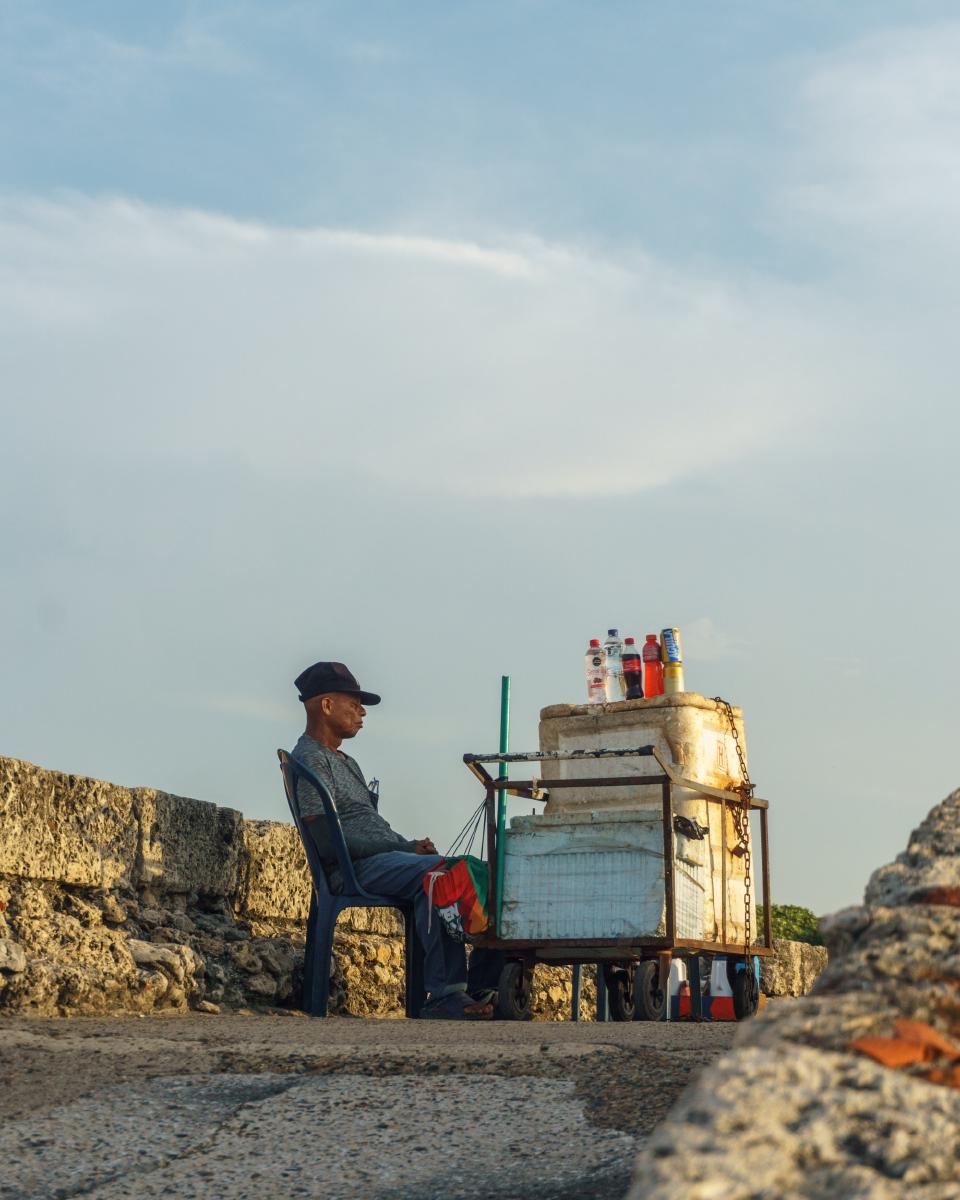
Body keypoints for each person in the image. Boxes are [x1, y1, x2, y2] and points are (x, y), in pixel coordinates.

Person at [289, 660, 501, 1019]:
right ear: (326, 706)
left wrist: (409, 845)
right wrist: (405, 849)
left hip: (383, 860)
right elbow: (328, 842)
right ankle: (444, 995)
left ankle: (485, 984)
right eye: (354, 704)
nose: (362, 713)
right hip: (353, 869)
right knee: (438, 878)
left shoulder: (346, 762)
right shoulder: (309, 759)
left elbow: (373, 827)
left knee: (480, 870)